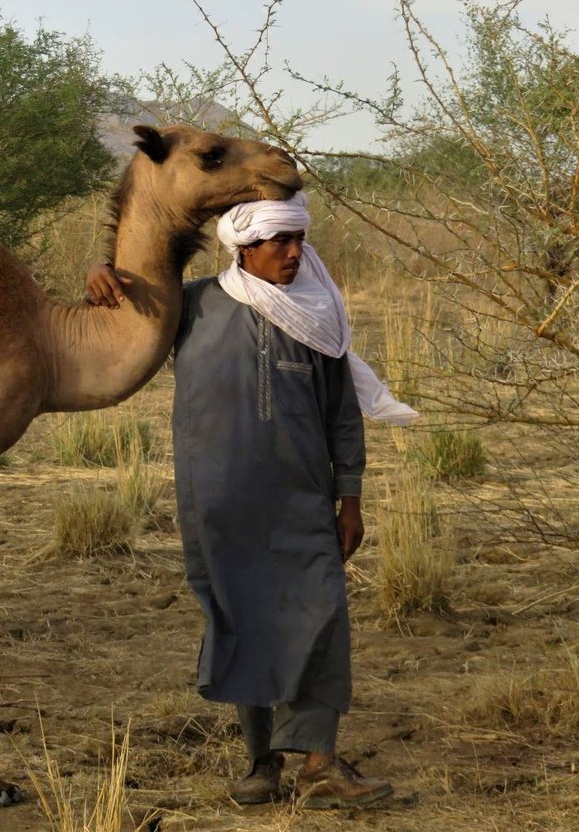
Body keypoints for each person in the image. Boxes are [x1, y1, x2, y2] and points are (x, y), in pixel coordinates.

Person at [85, 190, 417, 809]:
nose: (294, 254)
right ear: (244, 248)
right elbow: (117, 321)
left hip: (302, 500)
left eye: (298, 242)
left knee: (322, 617)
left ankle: (319, 765)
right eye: (279, 243)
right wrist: (102, 273)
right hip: (218, 500)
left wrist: (350, 497)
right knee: (242, 619)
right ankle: (261, 763)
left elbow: (343, 416)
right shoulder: (195, 304)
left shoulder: (319, 315)